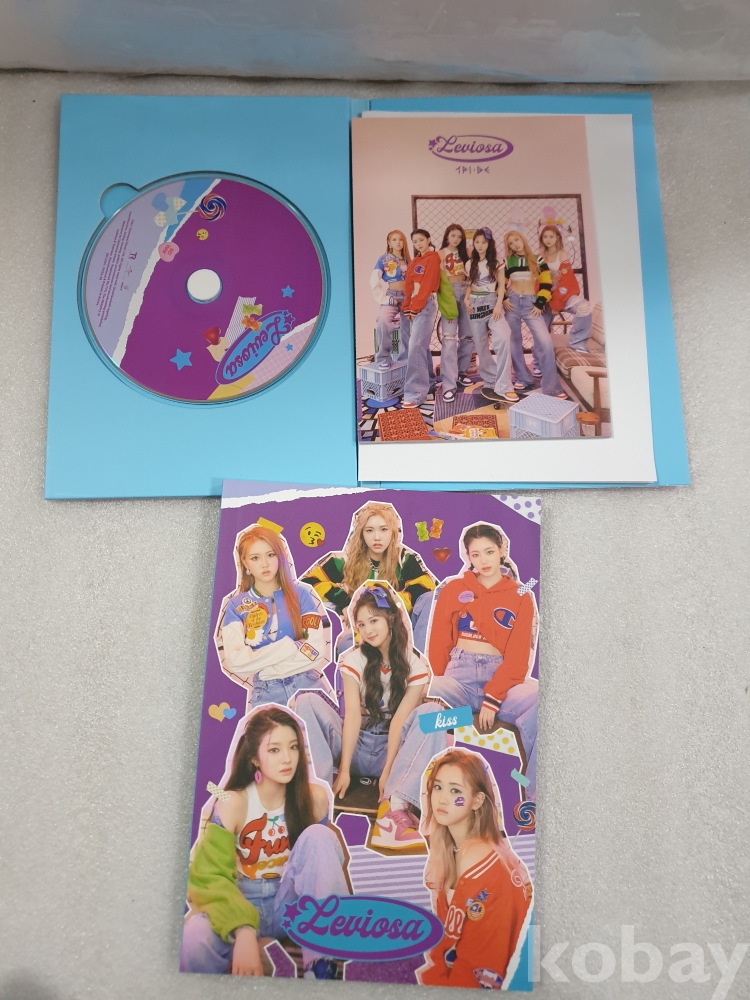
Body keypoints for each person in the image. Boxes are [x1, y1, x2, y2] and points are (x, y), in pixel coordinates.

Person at [180, 706, 350, 979]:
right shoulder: (232, 802)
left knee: (320, 836)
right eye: (274, 750)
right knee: (193, 936)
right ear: (254, 758)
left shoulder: (315, 797)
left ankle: (322, 966)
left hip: (288, 903)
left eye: (293, 747)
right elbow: (209, 877)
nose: (287, 758)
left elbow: (321, 869)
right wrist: (244, 929)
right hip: (241, 899)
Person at [294, 582, 448, 850]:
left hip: (392, 751)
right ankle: (317, 794)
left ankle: (395, 809)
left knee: (435, 713)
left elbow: (399, 721)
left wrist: (387, 773)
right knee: (305, 700)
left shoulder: (416, 665)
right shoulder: (353, 659)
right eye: (361, 624)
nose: (367, 630)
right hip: (355, 747)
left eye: (373, 621)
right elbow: (352, 715)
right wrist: (344, 770)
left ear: (391, 619)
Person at [426, 523, 538, 801]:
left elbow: (518, 657)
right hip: (459, 679)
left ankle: (535, 799)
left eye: (489, 552)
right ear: (467, 556)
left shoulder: (522, 594)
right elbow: (439, 644)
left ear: (502, 550)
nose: (483, 560)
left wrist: (492, 699)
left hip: (503, 681)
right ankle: (419, 797)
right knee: (419, 698)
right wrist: (434, 688)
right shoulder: (453, 588)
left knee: (542, 700)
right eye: (475, 554)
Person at [417, 749, 533, 989]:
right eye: (438, 787)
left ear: (477, 801)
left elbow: (481, 964)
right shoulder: (453, 851)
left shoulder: (479, 859)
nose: (442, 799)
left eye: (455, 791)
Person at [218, 525, 333, 709]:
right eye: (255, 558)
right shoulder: (235, 606)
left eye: (270, 555)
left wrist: (263, 665)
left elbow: (315, 651)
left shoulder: (301, 595)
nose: (265, 564)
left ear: (280, 556)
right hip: (266, 693)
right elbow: (236, 662)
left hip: (308, 685)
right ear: (245, 563)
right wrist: (291, 646)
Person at [301, 500, 437, 654]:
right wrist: (344, 602)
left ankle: (416, 659)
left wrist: (387, 606)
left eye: (384, 529)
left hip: (400, 628)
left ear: (393, 532)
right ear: (361, 533)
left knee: (429, 598)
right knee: (346, 644)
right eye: (369, 530)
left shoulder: (404, 559)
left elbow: (425, 588)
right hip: (364, 631)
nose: (377, 537)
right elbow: (307, 583)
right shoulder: (345, 560)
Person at [501, 230, 566, 398]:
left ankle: (552, 387)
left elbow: (546, 283)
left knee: (545, 341)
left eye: (516, 240)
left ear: (522, 239)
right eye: (510, 243)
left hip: (531, 304)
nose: (515, 244)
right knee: (514, 341)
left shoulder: (538, 260)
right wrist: (505, 299)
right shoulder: (507, 262)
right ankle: (522, 377)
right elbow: (500, 283)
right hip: (513, 303)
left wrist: (540, 303)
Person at [463, 227, 519, 405]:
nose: (480, 245)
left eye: (484, 242)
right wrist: (466, 299)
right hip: (474, 305)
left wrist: (498, 305)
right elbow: (471, 285)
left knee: (503, 338)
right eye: (477, 242)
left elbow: (501, 285)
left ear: (489, 244)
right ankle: (491, 380)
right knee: (481, 347)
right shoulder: (469, 263)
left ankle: (505, 386)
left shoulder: (496, 262)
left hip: (492, 303)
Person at [400, 229, 442, 408]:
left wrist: (415, 307)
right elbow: (409, 285)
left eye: (421, 240)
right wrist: (406, 306)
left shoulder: (433, 258)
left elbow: (426, 285)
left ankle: (415, 394)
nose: (418, 244)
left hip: (425, 304)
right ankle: (430, 384)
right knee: (421, 347)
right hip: (413, 305)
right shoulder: (415, 261)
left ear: (428, 240)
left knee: (415, 346)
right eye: (415, 241)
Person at [538, 224, 592, 352]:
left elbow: (567, 278)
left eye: (551, 236)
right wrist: (541, 300)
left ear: (557, 237)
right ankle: (539, 360)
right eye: (545, 237)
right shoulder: (540, 255)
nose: (548, 239)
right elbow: (538, 280)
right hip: (545, 294)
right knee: (539, 329)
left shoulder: (562, 254)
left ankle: (577, 343)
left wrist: (557, 304)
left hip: (562, 292)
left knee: (584, 307)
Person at [438, 224, 476, 403]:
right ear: (447, 236)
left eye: (459, 236)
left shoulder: (467, 252)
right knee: (449, 339)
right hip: (449, 293)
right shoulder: (440, 254)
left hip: (466, 291)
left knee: (467, 336)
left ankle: (461, 372)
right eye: (453, 236)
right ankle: (448, 384)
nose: (456, 239)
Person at [369, 230, 411, 370]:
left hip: (408, 297)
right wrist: (384, 299)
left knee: (408, 328)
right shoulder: (384, 259)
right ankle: (383, 358)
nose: (398, 242)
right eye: (394, 239)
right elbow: (373, 280)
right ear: (389, 242)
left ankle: (406, 360)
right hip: (392, 296)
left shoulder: (409, 260)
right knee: (383, 321)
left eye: (400, 239)